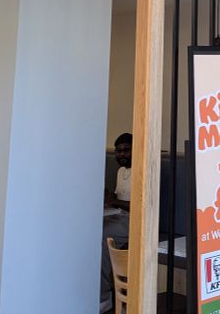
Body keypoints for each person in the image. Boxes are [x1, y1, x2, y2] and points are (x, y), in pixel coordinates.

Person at [101, 133, 132, 313]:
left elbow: (143, 206)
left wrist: (113, 202)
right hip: (117, 215)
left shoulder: (142, 170)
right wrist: (109, 197)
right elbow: (118, 197)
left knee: (103, 237)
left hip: (133, 221)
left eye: (126, 150)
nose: (121, 154)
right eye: (118, 151)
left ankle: (104, 296)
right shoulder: (121, 171)